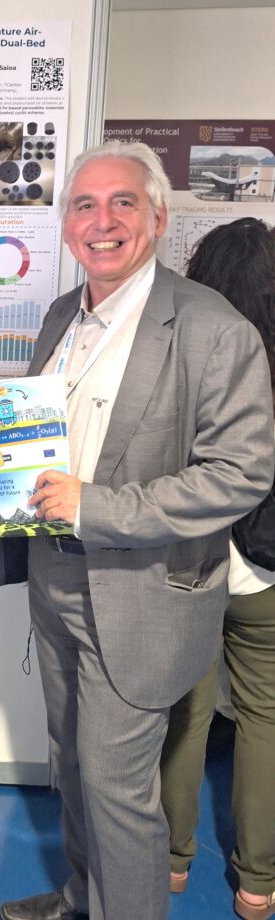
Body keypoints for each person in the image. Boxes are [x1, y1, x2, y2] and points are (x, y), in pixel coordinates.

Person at [0, 142, 274, 920]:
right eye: (84, 204)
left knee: (118, 790)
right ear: (66, 224)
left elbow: (240, 474)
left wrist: (96, 508)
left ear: (158, 218)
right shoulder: (60, 316)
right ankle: (84, 899)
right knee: (73, 766)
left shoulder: (212, 328)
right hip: (54, 574)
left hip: (139, 592)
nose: (102, 220)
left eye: (123, 203)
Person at [160, 217, 275, 920]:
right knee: (266, 717)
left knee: (186, 711)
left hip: (191, 559)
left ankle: (172, 863)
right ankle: (258, 883)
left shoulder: (186, 343)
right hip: (267, 569)